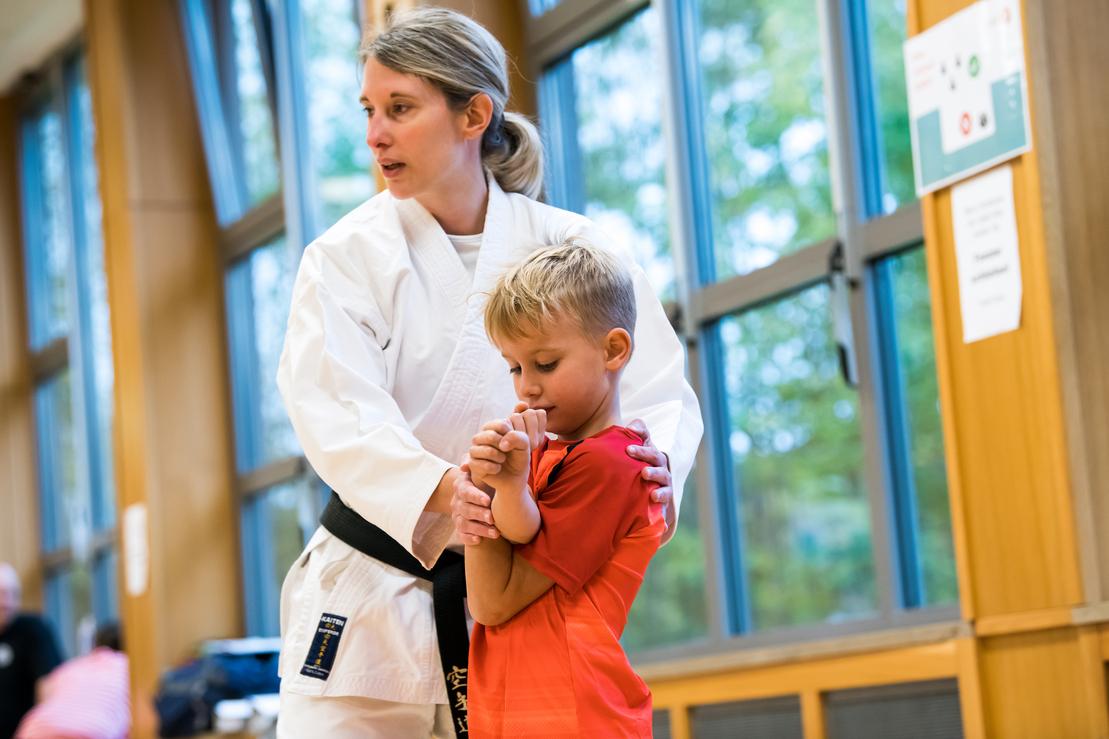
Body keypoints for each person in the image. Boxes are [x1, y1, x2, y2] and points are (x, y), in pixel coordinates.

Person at [274, 7, 702, 738]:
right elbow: (335, 413)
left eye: (401, 109)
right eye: (370, 110)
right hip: (371, 593)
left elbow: (654, 386)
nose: (376, 133)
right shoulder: (345, 257)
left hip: (516, 602)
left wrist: (654, 463)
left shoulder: (568, 244)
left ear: (474, 113)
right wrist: (447, 490)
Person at [463, 241, 665, 737]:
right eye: (514, 367)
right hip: (528, 704)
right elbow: (521, 525)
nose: (526, 387)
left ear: (614, 350)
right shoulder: (548, 454)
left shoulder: (610, 462)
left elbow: (494, 600)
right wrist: (502, 484)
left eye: (546, 364)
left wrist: (485, 492)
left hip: (572, 711)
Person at [15, 623, 130, 739]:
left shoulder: (71, 667)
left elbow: (44, 697)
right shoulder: (130, 669)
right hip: (92, 730)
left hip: (35, 729)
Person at [0, 563, 63, 738]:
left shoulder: (34, 630)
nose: (7, 602)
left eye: (14, 594)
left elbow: (49, 687)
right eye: (2, 594)